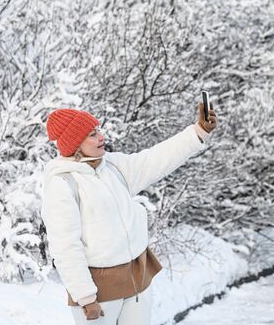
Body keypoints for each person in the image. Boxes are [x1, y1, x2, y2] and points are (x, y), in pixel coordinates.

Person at [41, 102, 218, 324]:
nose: (101, 137)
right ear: (75, 144)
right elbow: (65, 246)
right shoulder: (63, 183)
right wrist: (85, 297)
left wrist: (198, 131)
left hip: (137, 280)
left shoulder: (112, 167)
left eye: (98, 131)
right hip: (98, 291)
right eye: (92, 135)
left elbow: (156, 159)